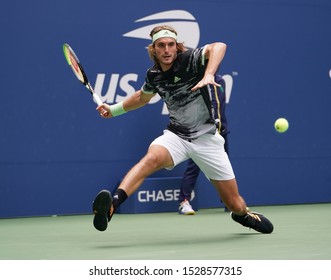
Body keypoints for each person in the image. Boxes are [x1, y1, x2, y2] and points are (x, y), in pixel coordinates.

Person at [93, 25, 274, 234]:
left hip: (207, 139)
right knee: (151, 159)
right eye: (161, 46)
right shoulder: (154, 75)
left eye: (171, 45)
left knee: (234, 203)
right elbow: (142, 97)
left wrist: (208, 74)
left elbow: (219, 46)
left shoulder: (189, 60)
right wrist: (113, 110)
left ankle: (242, 214)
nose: (167, 50)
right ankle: (113, 205)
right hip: (176, 136)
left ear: (177, 46)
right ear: (154, 49)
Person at [178, 74, 229, 215]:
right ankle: (184, 202)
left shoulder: (220, 81)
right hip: (202, 132)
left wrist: (220, 125)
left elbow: (220, 106)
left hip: (221, 132)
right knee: (193, 167)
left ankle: (228, 201)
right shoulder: (195, 82)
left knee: (224, 168)